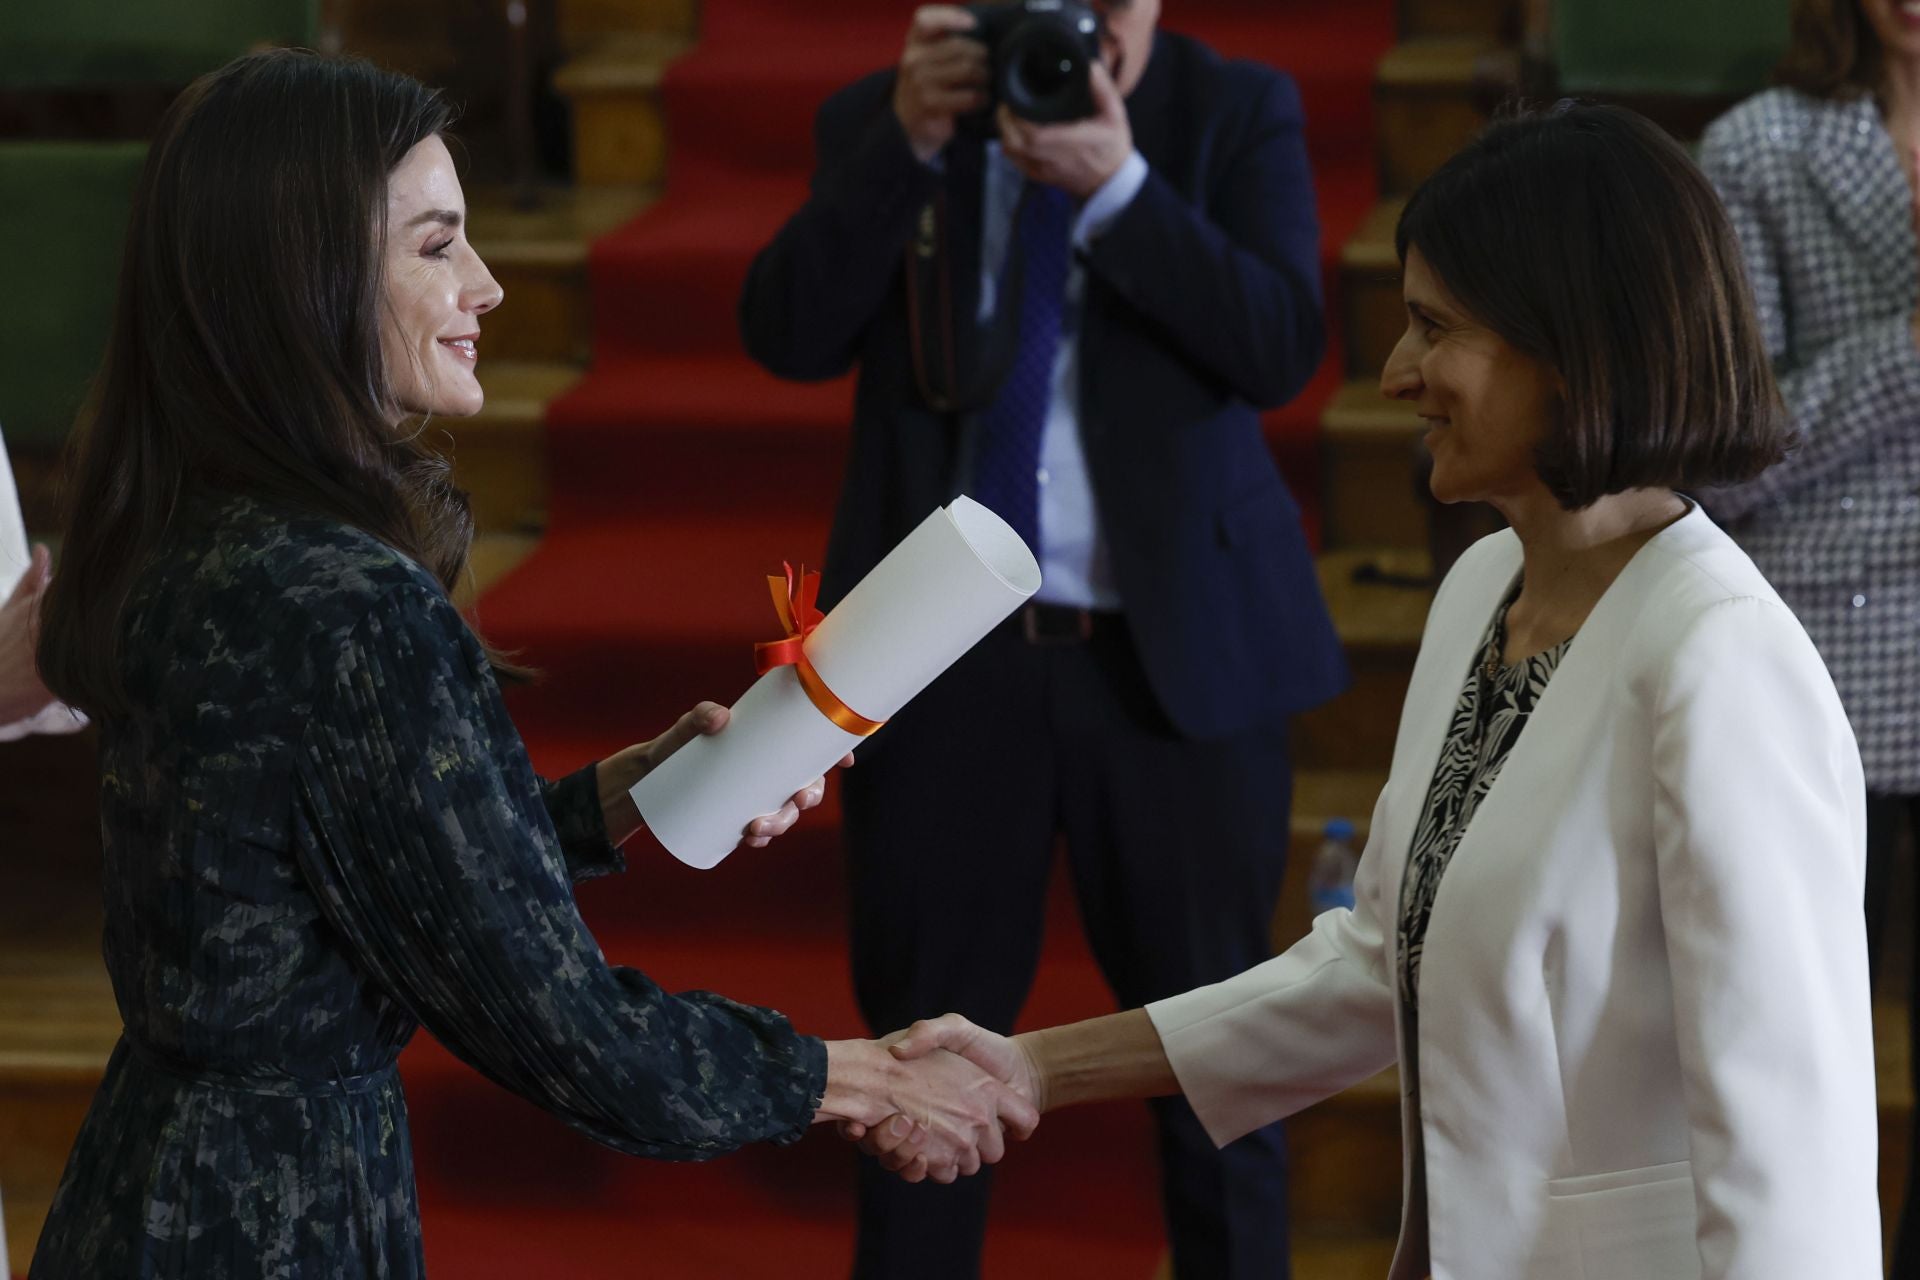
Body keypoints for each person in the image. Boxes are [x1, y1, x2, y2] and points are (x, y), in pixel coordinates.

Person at [27, 50, 1031, 1280]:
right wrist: (853, 1076)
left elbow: (365, 878)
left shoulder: (195, 528)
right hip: (268, 1222)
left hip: (147, 1187)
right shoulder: (352, 607)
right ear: (307, 278)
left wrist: (631, 786)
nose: (488, 285)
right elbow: (569, 1033)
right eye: (438, 246)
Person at [855, 103, 1884, 1279]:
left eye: (1434, 328)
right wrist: (1034, 1065)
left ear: (1572, 351)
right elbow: (1376, 959)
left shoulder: (1724, 658)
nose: (1396, 372)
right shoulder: (1485, 584)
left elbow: (1792, 1168)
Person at [740, 3, 1346, 1274]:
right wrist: (901, 147)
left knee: (1221, 1071)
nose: (1075, 30)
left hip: (1171, 665)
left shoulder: (1232, 110)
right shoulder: (891, 119)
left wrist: (1119, 188)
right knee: (921, 1068)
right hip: (944, 672)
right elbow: (784, 333)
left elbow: (1281, 343)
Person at [1695, 2, 1920, 1269]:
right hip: (1824, 646)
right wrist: (1909, 347)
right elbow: (1727, 446)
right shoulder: (1761, 147)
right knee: (1791, 1046)